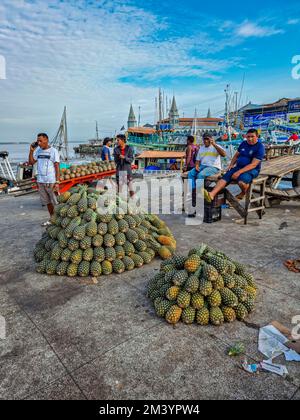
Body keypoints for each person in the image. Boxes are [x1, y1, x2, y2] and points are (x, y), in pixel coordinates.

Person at [204, 128, 265, 203]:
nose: (249, 138)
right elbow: (236, 156)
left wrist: (238, 172)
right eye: (248, 136)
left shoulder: (260, 147)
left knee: (241, 182)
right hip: (238, 167)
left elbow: (253, 164)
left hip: (252, 170)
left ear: (257, 137)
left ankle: (243, 193)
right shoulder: (244, 143)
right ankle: (211, 194)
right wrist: (230, 165)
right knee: (224, 177)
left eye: (252, 136)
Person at [28, 133, 60, 226]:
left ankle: (59, 220)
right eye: (38, 140)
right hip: (40, 181)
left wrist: (57, 181)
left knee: (56, 202)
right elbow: (31, 162)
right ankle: (52, 219)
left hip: (51, 181)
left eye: (40, 141)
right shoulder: (38, 151)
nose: (39, 142)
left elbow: (57, 166)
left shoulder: (53, 151)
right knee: (47, 202)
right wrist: (31, 151)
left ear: (46, 140)